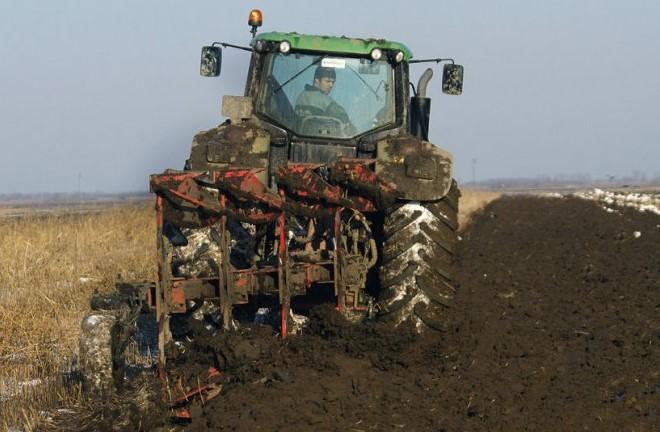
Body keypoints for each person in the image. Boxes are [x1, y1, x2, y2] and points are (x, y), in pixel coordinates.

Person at [295, 66, 351, 133]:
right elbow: (344, 118)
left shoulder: (301, 96)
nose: (331, 85)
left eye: (333, 82)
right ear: (317, 81)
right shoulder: (326, 101)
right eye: (327, 81)